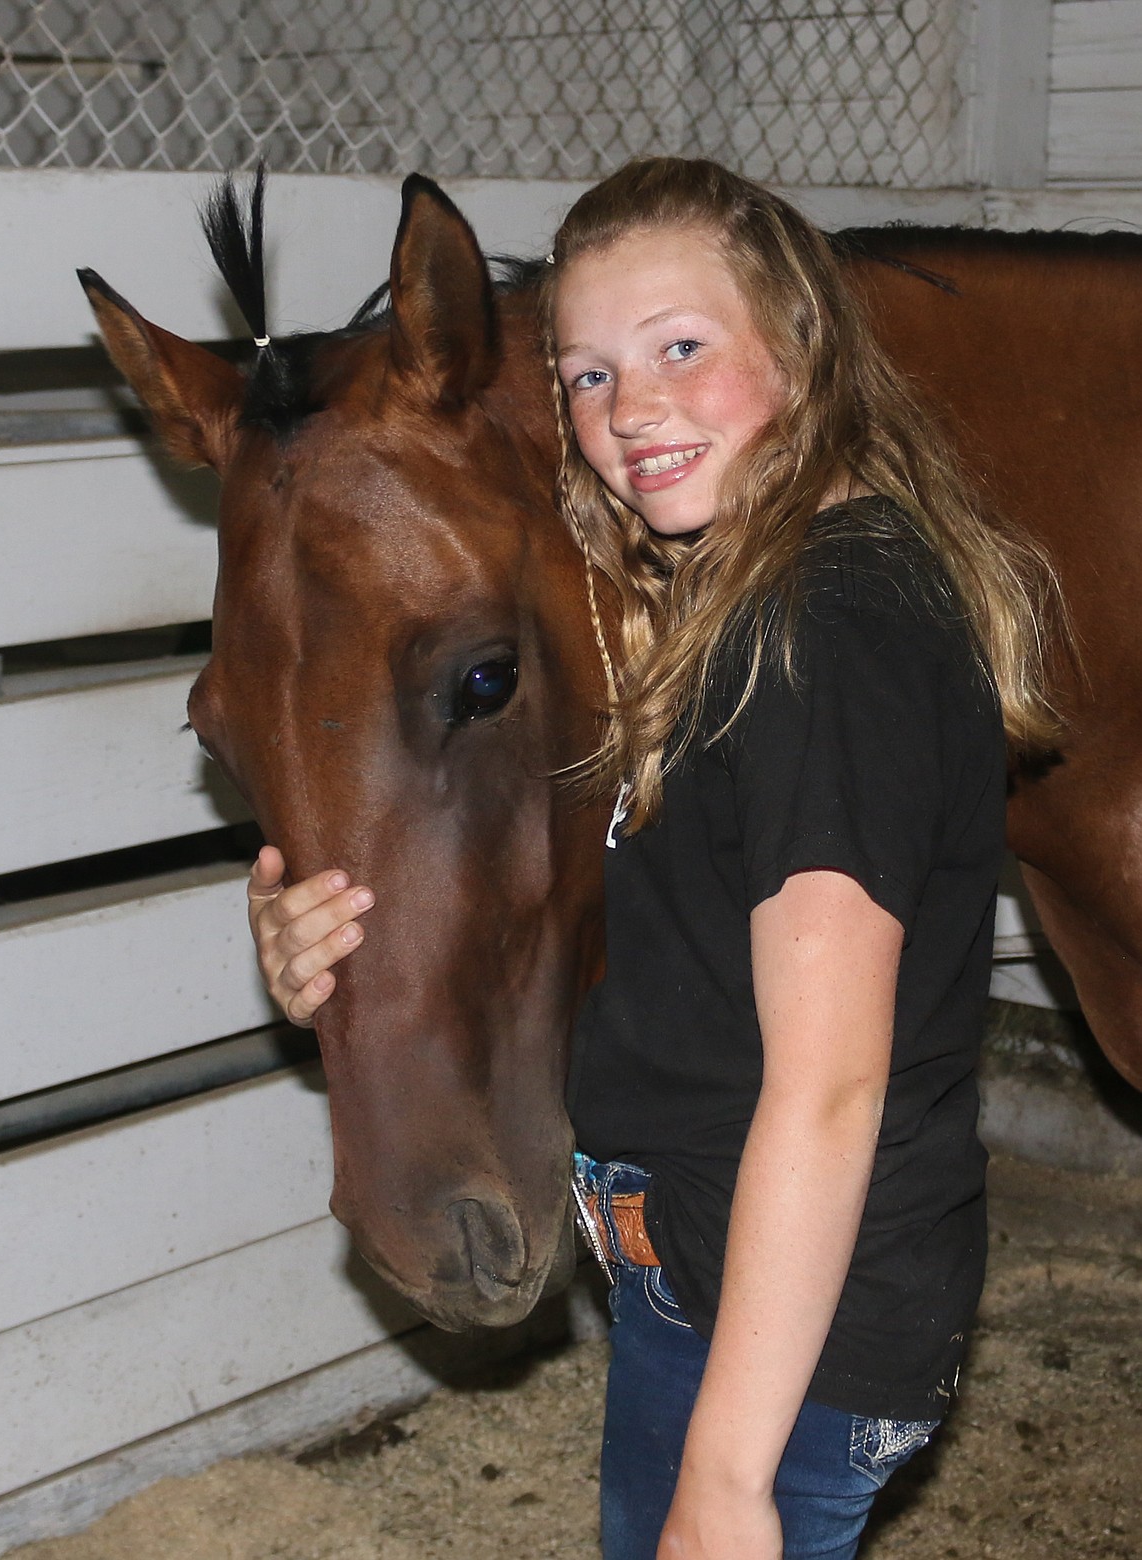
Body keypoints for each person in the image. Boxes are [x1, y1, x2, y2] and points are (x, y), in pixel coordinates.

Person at [245, 159, 1062, 1559]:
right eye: (587, 376)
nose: (629, 412)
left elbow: (830, 1082)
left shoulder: (823, 631)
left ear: (800, 346)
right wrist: (312, 940)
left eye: (679, 347)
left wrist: (729, 1473)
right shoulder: (739, 593)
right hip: (714, 1276)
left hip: (786, 1333)